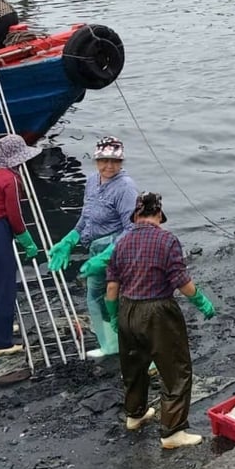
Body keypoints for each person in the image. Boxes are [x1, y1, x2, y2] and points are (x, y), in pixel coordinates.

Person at [106, 191, 215, 450]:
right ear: (158, 214)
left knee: (133, 367)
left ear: (136, 215)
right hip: (158, 312)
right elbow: (181, 281)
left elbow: (112, 287)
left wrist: (113, 315)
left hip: (127, 309)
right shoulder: (167, 240)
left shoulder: (121, 242)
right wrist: (201, 301)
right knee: (175, 370)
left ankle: (135, 415)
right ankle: (173, 431)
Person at [48, 136, 139, 359]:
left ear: (122, 162)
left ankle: (136, 345)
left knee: (120, 298)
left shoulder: (125, 188)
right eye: (104, 160)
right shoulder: (91, 181)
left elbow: (132, 229)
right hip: (96, 249)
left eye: (114, 161)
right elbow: (85, 218)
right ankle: (110, 344)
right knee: (95, 298)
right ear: (96, 160)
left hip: (117, 253)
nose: (109, 166)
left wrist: (107, 256)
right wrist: (69, 241)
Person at [0, 134, 42, 357]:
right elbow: (15, 215)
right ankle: (0, 344)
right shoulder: (10, 179)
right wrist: (26, 240)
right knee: (4, 286)